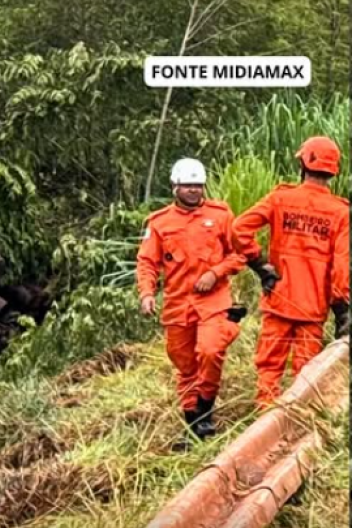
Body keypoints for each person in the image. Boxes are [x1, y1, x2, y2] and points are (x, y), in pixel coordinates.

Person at [231, 136, 350, 409]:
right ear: (333, 170)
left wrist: (260, 266)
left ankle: (264, 423)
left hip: (279, 300)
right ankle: (297, 428)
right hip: (313, 308)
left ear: (304, 163)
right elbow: (340, 266)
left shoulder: (280, 198)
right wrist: (341, 308)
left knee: (269, 368)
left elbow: (239, 228)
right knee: (306, 374)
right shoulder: (339, 211)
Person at [137, 158, 247, 439]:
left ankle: (206, 412)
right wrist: (147, 293)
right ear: (175, 187)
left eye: (198, 186)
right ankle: (193, 422)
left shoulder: (221, 215)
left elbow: (239, 254)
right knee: (185, 365)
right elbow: (147, 262)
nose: (193, 191)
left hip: (214, 299)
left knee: (210, 351)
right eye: (187, 186)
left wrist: (215, 272)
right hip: (178, 304)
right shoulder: (159, 223)